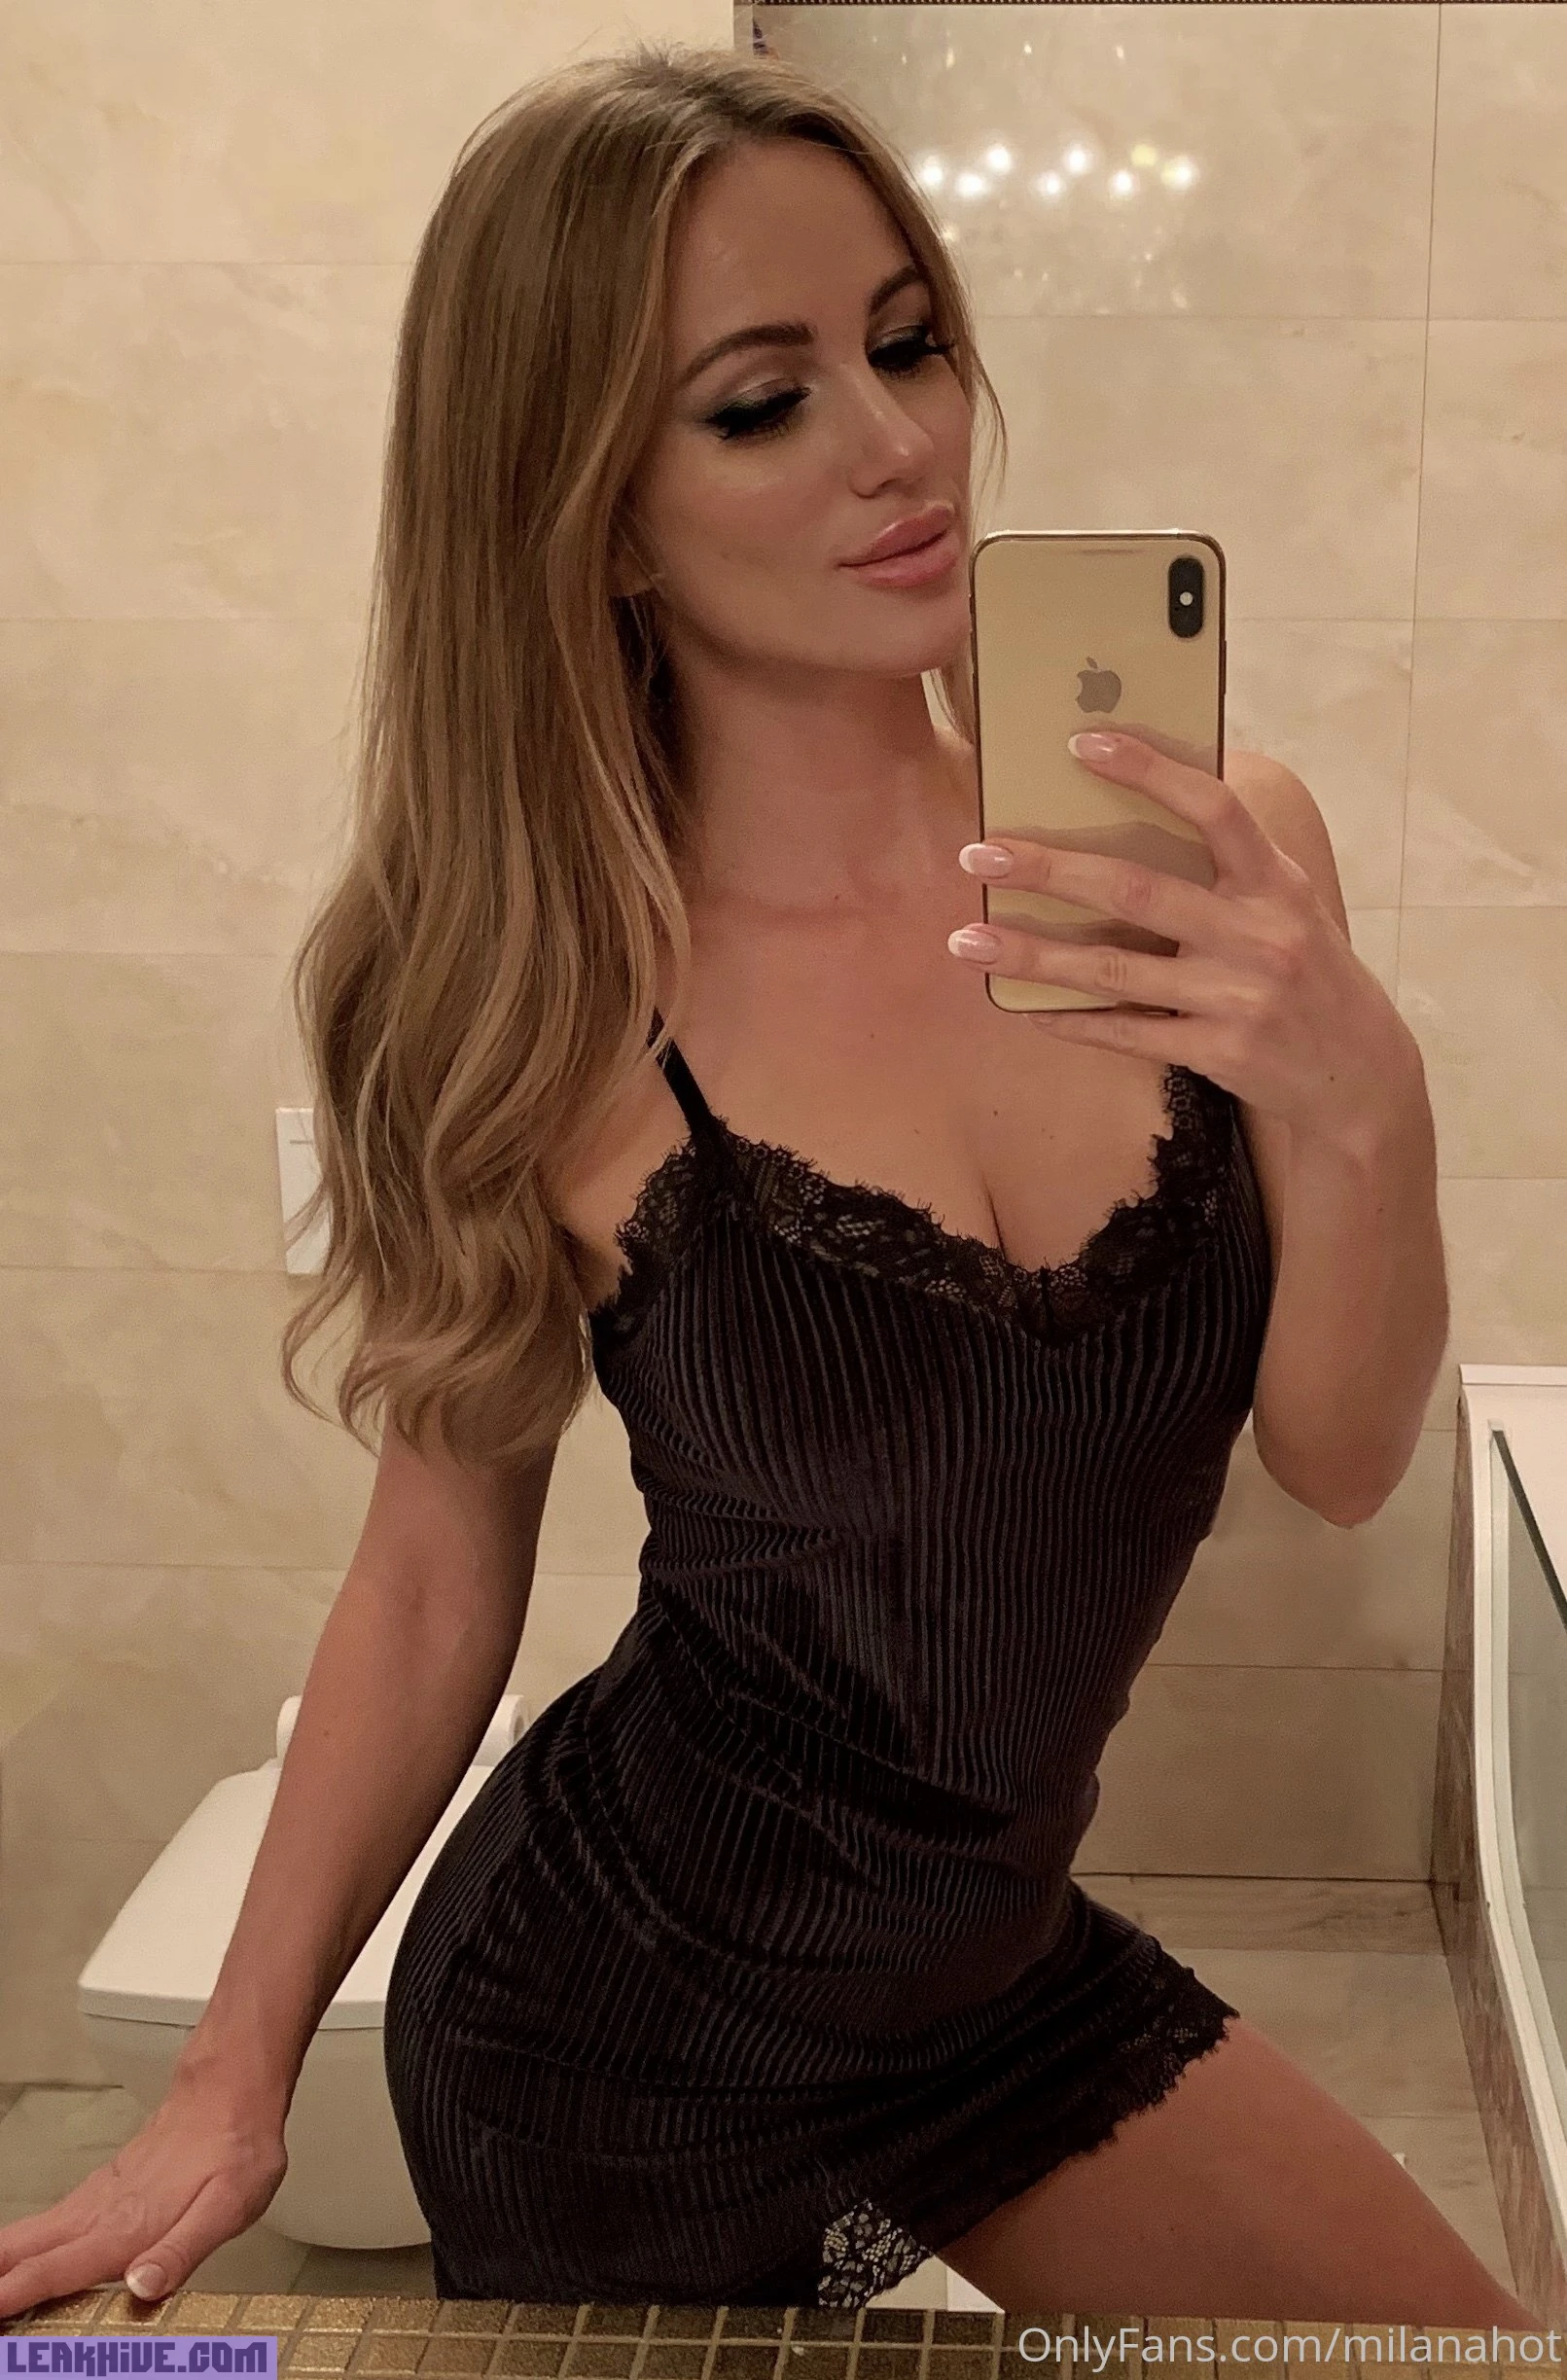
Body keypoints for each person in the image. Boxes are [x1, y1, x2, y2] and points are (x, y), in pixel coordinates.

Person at [0, 42, 1534, 2329]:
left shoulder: (1216, 859)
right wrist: (228, 2084)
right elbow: (429, 1574)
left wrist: (1360, 1097)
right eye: (759, 401)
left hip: (1001, 1987)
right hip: (618, 2045)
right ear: (597, 510)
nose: (896, 441)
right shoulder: (534, 997)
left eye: (905, 342)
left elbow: (1334, 1457)